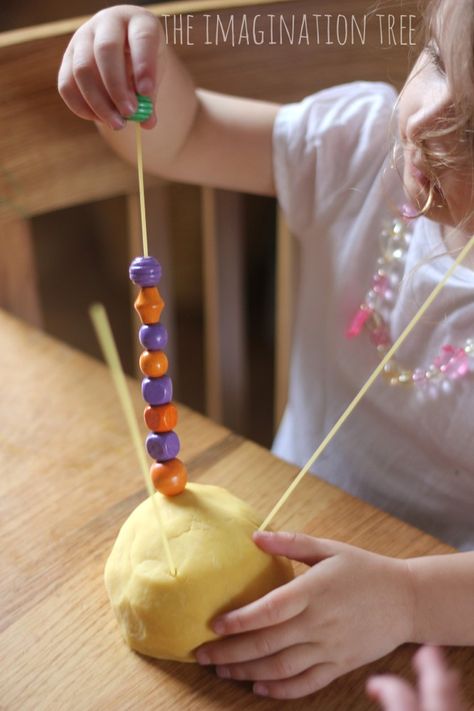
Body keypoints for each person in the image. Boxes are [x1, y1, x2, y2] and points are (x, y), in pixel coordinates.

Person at [58, 1, 474, 700]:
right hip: (282, 528)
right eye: (436, 59)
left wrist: (406, 597)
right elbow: (187, 136)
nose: (426, 120)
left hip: (439, 625)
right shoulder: (360, 144)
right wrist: (139, 82)